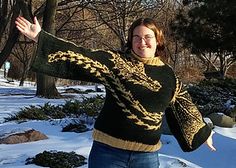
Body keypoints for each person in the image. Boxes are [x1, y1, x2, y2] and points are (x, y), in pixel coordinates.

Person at [15, 16, 216, 168]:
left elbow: (183, 103)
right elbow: (82, 55)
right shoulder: (116, 62)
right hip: (108, 154)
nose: (142, 42)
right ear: (130, 41)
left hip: (147, 158)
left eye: (148, 37)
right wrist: (40, 37)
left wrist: (202, 132)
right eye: (136, 37)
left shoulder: (168, 74)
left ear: (158, 41)